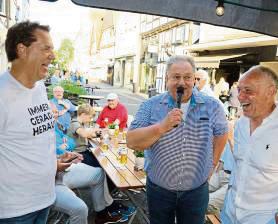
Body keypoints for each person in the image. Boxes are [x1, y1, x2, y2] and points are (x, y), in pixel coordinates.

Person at [127, 55, 228, 224]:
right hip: (159, 189)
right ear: (167, 79)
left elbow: (222, 132)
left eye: (187, 77)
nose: (182, 82)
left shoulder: (213, 105)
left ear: (194, 79)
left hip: (196, 191)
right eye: (176, 77)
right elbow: (131, 141)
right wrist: (161, 127)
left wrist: (212, 163)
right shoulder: (150, 105)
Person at [0, 21, 56, 223]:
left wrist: (54, 163)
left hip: (45, 199)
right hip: (14, 210)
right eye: (46, 48)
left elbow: (36, 138)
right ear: (22, 50)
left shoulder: (40, 87)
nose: (53, 55)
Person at [50, 105, 129, 224]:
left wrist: (65, 149)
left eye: (56, 112)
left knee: (100, 170)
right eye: (52, 113)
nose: (55, 115)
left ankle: (104, 210)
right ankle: (109, 204)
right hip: (54, 174)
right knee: (104, 165)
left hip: (66, 161)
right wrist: (65, 149)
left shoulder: (56, 126)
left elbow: (68, 142)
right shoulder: (74, 123)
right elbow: (80, 136)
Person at [221, 65, 278, 224]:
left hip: (264, 218)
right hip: (230, 213)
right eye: (239, 90)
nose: (240, 96)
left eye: (248, 91)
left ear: (270, 91)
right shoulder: (241, 124)